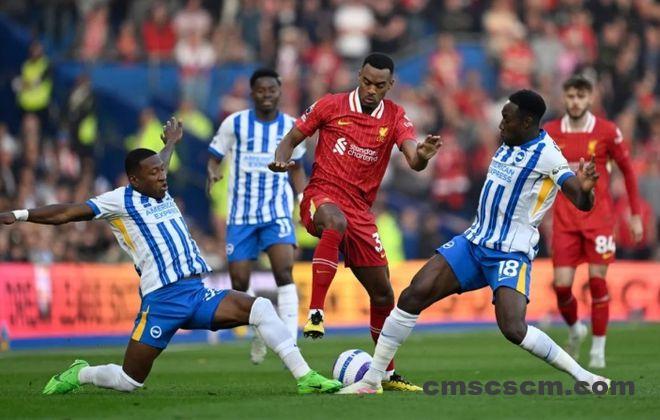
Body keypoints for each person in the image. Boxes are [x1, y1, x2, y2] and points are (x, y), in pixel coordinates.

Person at [0, 118, 341, 395]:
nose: (162, 175)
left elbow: (159, 162)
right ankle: (82, 373)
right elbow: (68, 212)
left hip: (196, 292)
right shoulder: (119, 201)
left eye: (162, 171)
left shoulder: (158, 186)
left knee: (261, 308)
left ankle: (305, 377)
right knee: (129, 381)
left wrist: (172, 142)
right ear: (135, 180)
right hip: (161, 301)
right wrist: (20, 214)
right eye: (154, 173)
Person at [339, 90, 610, 394]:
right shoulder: (509, 141)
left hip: (509, 254)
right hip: (474, 243)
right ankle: (373, 379)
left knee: (513, 328)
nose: (500, 124)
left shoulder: (548, 155)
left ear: (527, 122)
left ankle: (584, 376)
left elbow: (580, 199)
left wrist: (586, 189)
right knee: (413, 294)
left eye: (507, 119)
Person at [270, 53, 441, 391]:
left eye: (379, 85)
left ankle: (387, 374)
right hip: (322, 196)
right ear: (359, 76)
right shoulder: (330, 105)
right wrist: (280, 159)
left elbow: (413, 159)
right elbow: (291, 139)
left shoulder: (395, 116)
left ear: (390, 85)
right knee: (335, 222)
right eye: (366, 82)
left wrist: (422, 155)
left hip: (361, 213)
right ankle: (316, 312)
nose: (371, 90)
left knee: (383, 295)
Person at [206, 69, 306, 364]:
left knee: (284, 272)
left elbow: (298, 168)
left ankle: (291, 342)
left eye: (271, 90)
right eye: (261, 90)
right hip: (241, 216)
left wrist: (302, 199)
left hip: (276, 212)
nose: (266, 95)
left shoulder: (292, 126)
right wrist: (213, 172)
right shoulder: (234, 123)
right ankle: (260, 333)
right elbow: (214, 156)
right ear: (252, 93)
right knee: (239, 282)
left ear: (279, 92)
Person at [544, 75, 643, 368]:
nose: (575, 102)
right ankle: (576, 328)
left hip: (599, 220)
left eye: (581, 96)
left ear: (590, 98)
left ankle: (598, 350)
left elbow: (628, 171)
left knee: (598, 282)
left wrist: (635, 214)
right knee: (562, 286)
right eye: (571, 96)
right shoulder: (550, 133)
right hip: (564, 221)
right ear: (564, 98)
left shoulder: (607, 131)